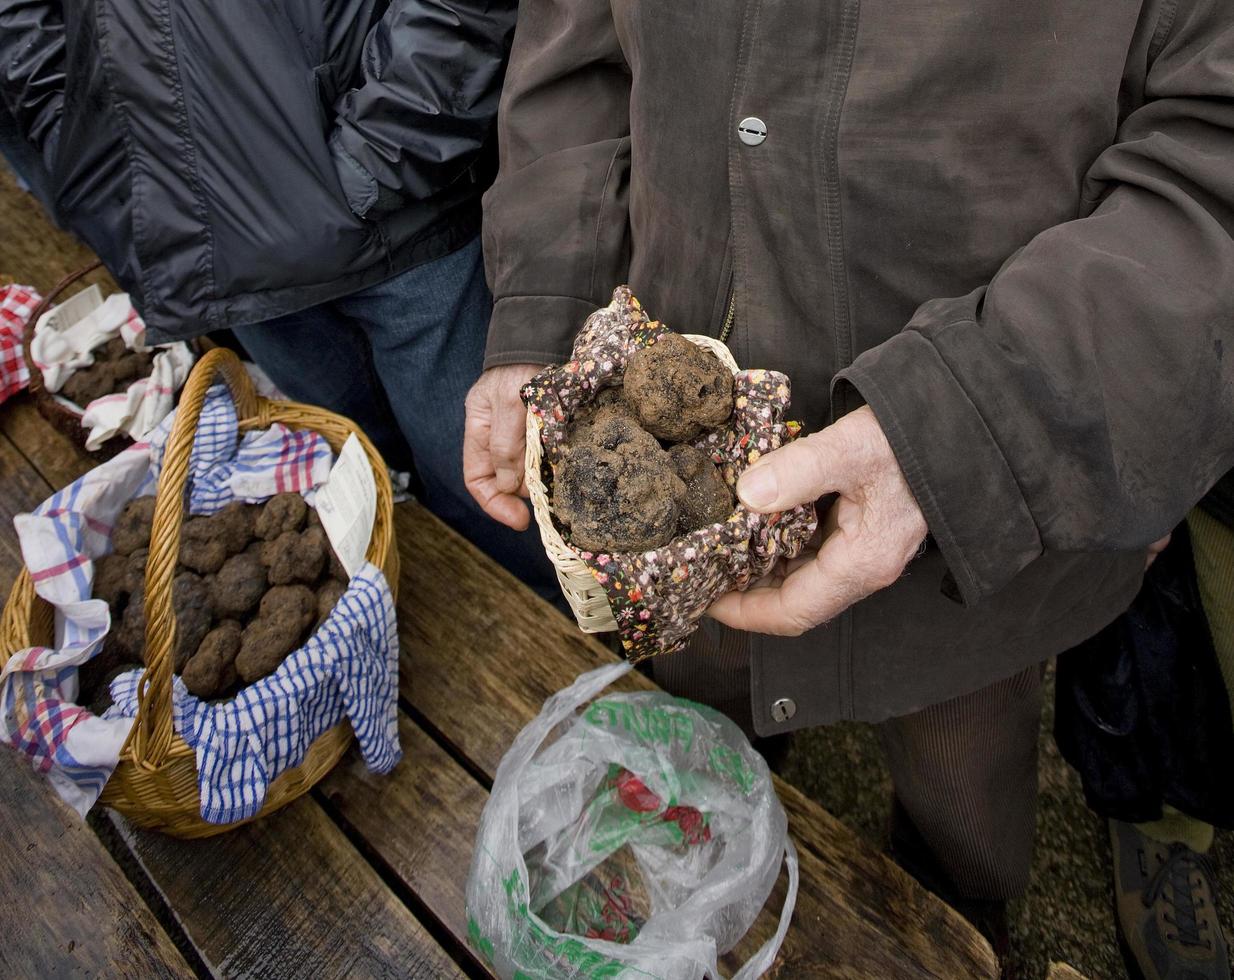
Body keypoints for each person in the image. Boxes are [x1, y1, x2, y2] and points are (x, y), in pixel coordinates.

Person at [464, 0, 1234, 965]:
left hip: (974, 539)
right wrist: (545, 308)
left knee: (965, 821)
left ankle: (962, 925)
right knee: (696, 752)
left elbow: (1215, 160)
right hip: (687, 506)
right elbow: (568, 52)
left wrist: (973, 428)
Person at [0, 0, 552, 590]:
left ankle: (578, 648)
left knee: (502, 502)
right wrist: (89, 142)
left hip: (404, 225)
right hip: (221, 253)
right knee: (364, 480)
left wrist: (385, 147)